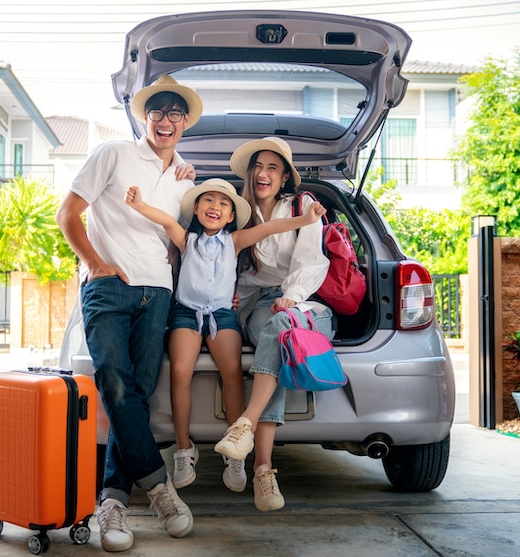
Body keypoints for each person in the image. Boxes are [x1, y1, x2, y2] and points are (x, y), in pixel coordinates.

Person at [56, 74, 201, 553]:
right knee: (115, 384)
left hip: (157, 293)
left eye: (174, 113)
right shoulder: (113, 154)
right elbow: (68, 214)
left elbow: (187, 243)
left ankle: (114, 499)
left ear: (184, 123)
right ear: (144, 117)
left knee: (135, 395)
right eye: (157, 111)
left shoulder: (185, 178)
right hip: (108, 289)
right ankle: (160, 490)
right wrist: (95, 263)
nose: (165, 120)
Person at [125, 179, 324, 494]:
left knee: (231, 373)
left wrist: (306, 220)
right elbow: (164, 219)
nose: (214, 207)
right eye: (208, 200)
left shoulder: (236, 240)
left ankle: (237, 453)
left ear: (231, 215)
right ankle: (183, 449)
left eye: (223, 203)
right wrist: (138, 205)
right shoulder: (186, 239)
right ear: (197, 208)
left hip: (221, 315)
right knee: (180, 372)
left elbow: (272, 228)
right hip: (186, 314)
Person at [212, 136, 333, 512]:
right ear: (250, 173)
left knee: (282, 328)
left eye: (273, 168)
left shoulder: (302, 206)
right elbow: (216, 259)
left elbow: (312, 262)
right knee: (277, 335)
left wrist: (292, 296)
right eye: (258, 167)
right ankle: (263, 473)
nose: (263, 174)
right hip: (257, 306)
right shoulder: (234, 210)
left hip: (303, 301)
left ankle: (247, 432)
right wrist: (227, 293)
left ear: (284, 179)